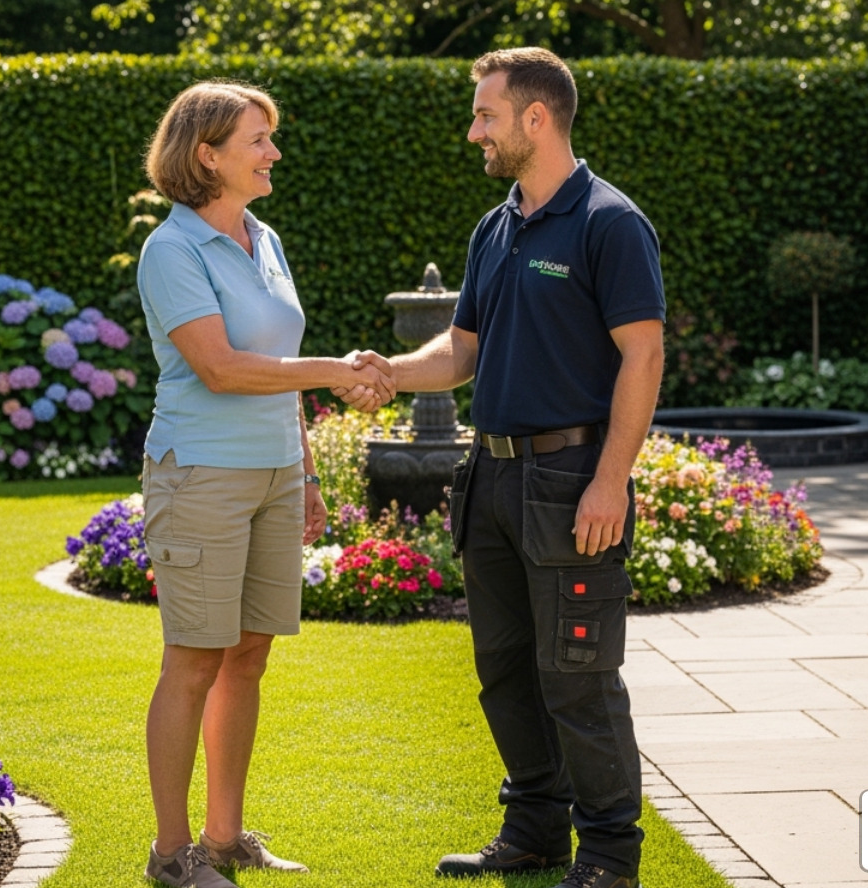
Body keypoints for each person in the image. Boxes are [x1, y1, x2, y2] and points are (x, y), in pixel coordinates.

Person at [339, 48, 665, 888]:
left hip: (570, 478)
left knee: (579, 677)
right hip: (487, 475)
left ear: (535, 117)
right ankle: (533, 832)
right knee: (505, 671)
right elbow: (462, 350)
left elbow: (643, 356)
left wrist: (610, 479)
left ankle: (608, 856)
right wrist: (389, 372)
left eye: (485, 114)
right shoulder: (497, 226)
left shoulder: (608, 221)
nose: (473, 130)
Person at [136, 80, 395, 888]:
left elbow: (277, 375)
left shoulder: (263, 237)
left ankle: (223, 839)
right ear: (206, 154)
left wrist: (307, 471)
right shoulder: (171, 250)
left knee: (248, 655)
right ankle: (171, 855)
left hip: (276, 472)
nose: (273, 151)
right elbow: (219, 367)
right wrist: (340, 371)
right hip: (202, 473)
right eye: (258, 139)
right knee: (194, 658)